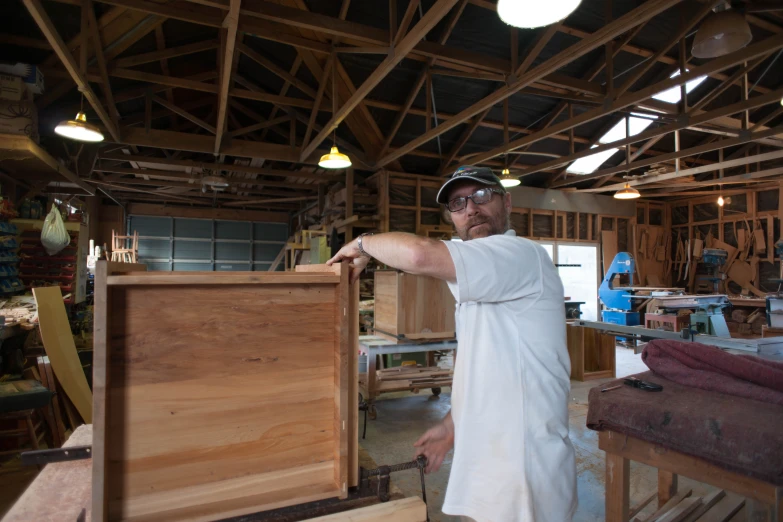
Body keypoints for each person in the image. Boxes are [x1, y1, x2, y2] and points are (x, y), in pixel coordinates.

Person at [327, 166, 577, 522]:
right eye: (458, 203)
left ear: (506, 202)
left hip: (525, 468)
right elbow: (487, 362)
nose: (470, 209)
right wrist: (453, 423)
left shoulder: (520, 254)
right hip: (488, 462)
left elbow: (418, 255)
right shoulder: (478, 272)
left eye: (480, 196)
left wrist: (362, 242)